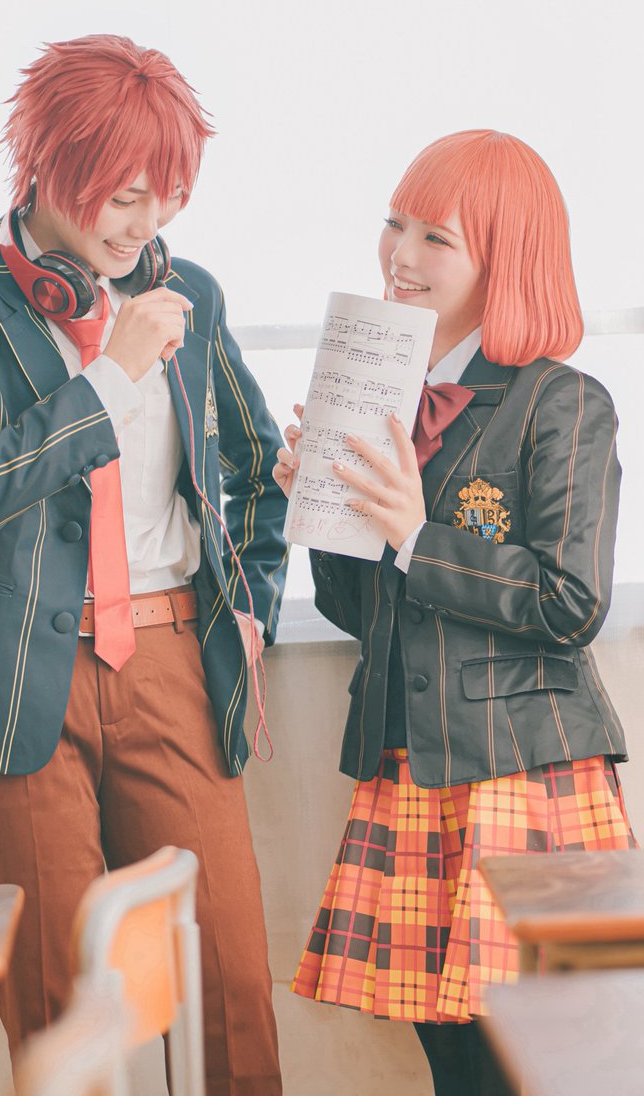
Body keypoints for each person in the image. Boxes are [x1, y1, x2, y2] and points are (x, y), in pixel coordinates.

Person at [0, 34, 288, 1096]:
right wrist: (109, 378)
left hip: (174, 657)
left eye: (169, 198)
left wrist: (253, 609)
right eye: (125, 197)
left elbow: (256, 468)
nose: (146, 227)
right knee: (54, 1005)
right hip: (10, 670)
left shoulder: (190, 292)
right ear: (48, 164)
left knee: (230, 983)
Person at [273, 129, 635, 1096]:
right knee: (453, 1063)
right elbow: (364, 612)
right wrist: (325, 517)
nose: (400, 254)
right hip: (411, 766)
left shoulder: (563, 402)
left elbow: (571, 601)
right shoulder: (386, 398)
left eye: (437, 237)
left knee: (532, 1063)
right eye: (395, 224)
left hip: (523, 769)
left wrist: (415, 535)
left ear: (504, 260)